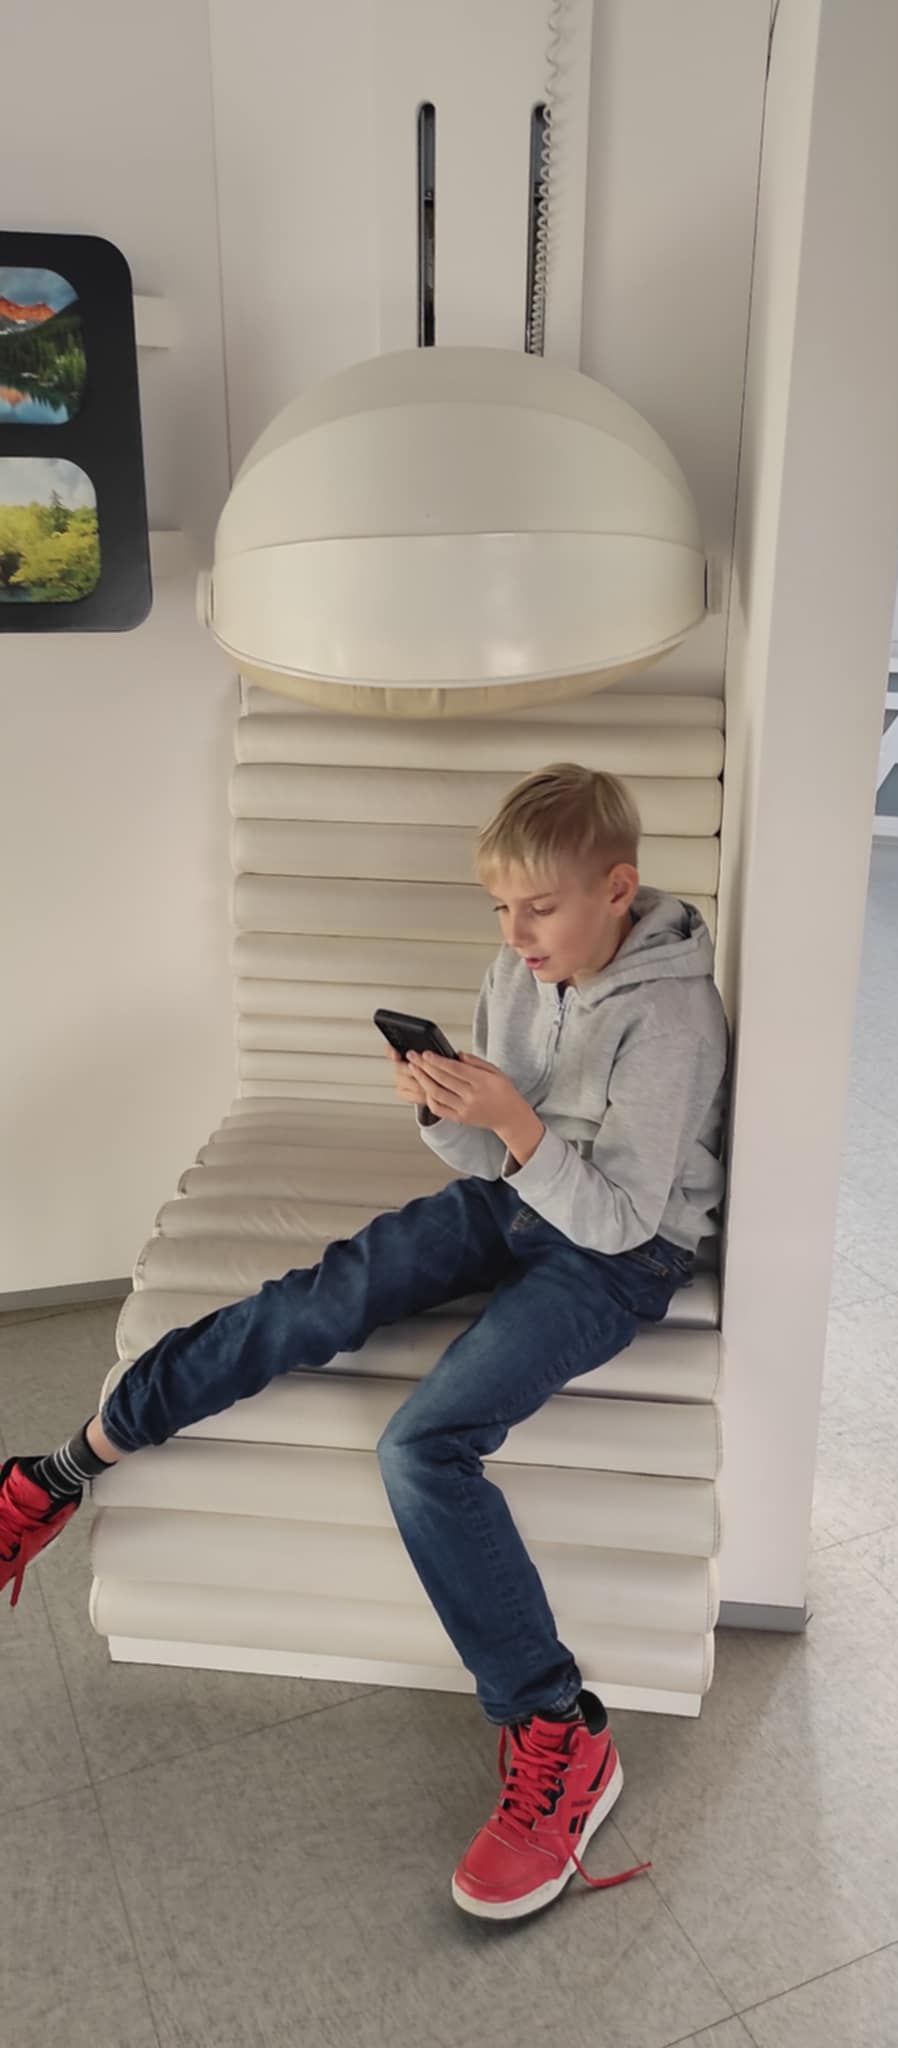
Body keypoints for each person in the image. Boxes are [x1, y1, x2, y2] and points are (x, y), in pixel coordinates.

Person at [0, 761, 728, 1922]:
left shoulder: (674, 1013)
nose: (514, 934)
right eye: (500, 907)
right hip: (517, 1199)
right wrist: (446, 1110)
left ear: (616, 887)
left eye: (538, 908)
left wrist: (516, 1123)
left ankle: (560, 1731)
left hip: (615, 1255)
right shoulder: (520, 970)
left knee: (424, 1445)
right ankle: (56, 1473)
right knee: (315, 1300)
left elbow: (624, 1217)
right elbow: (491, 1159)